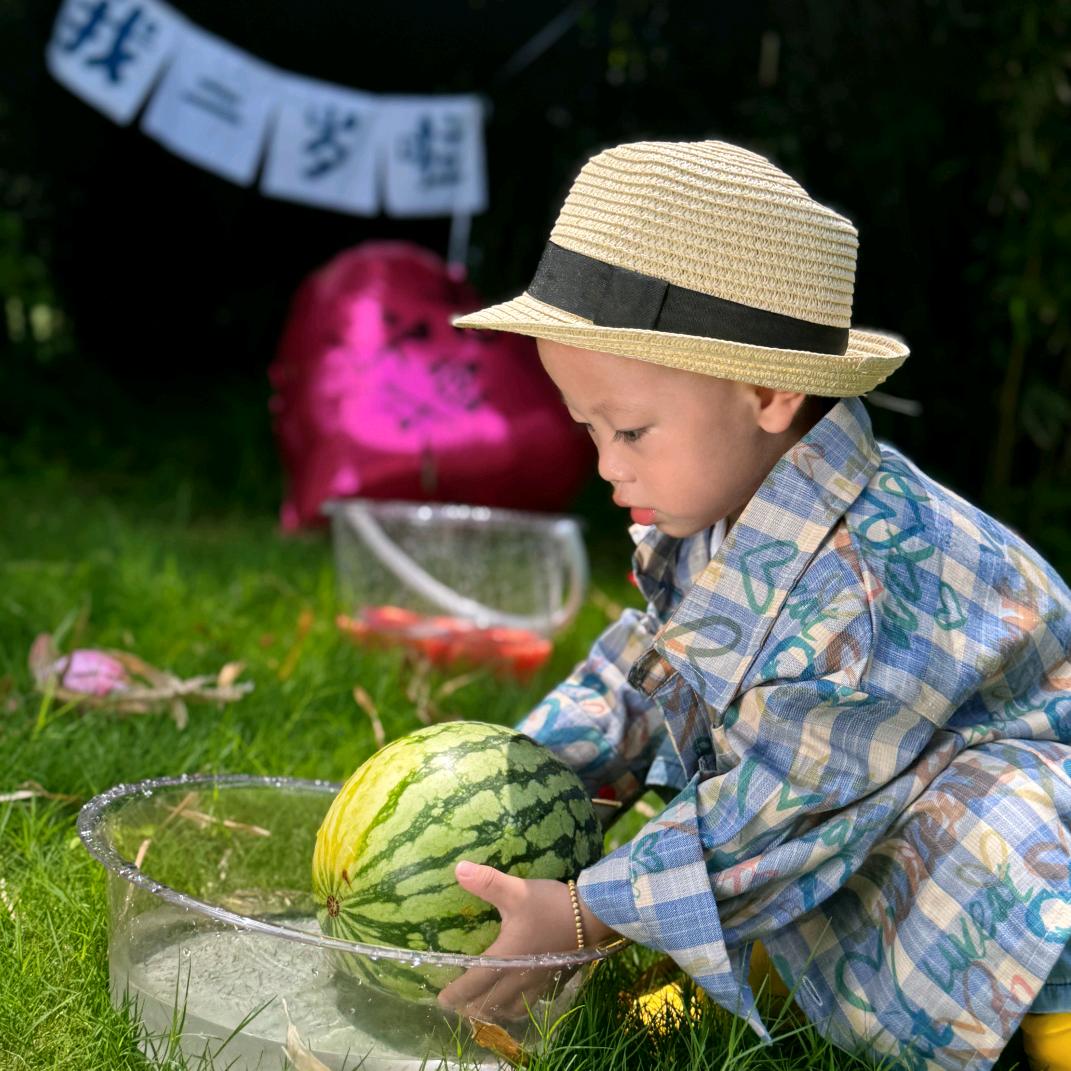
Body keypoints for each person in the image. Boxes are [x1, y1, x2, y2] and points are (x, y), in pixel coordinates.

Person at [437, 139, 1071, 1071]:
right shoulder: (720, 507)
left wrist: (587, 913)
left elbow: (782, 809)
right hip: (852, 819)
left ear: (770, 392)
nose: (607, 465)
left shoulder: (859, 582)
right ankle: (781, 981)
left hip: (1023, 871)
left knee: (990, 830)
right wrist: (511, 777)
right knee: (775, 866)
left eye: (630, 430)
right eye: (588, 429)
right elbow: (646, 670)